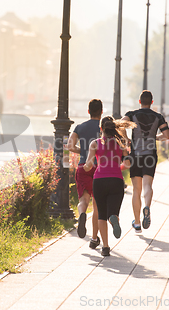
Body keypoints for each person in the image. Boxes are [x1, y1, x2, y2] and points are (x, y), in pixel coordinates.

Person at [83, 116, 136, 256]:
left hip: (99, 180)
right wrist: (119, 164)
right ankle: (114, 218)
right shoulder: (120, 144)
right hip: (116, 180)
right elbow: (128, 164)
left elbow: (88, 165)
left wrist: (88, 166)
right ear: (114, 129)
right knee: (113, 212)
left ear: (101, 128)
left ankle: (105, 247)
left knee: (101, 215)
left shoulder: (95, 143)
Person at [123, 90, 169, 233]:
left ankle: (137, 223)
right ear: (152, 102)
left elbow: (120, 124)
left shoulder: (132, 114)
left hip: (136, 155)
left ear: (139, 101)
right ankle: (147, 207)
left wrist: (126, 139)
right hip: (150, 155)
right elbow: (167, 135)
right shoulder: (158, 116)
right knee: (148, 185)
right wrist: (156, 138)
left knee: (136, 190)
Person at [67, 99, 102, 249]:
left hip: (82, 166)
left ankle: (81, 214)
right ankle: (94, 237)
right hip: (99, 168)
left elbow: (69, 145)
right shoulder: (103, 128)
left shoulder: (80, 127)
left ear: (88, 111)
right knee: (96, 206)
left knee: (83, 199)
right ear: (101, 111)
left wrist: (84, 152)